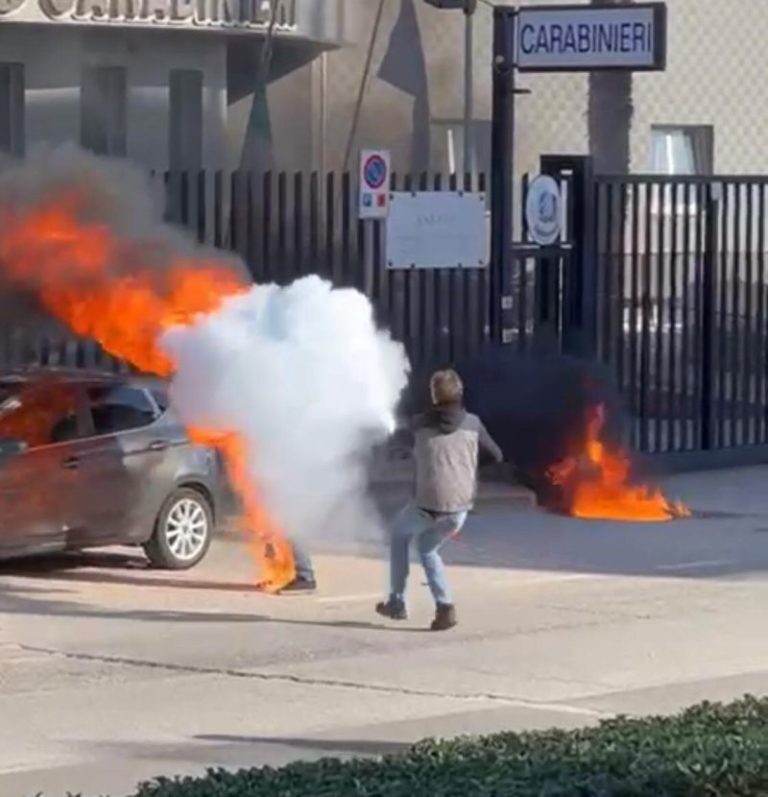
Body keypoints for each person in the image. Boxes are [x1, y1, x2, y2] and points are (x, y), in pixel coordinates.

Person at [376, 368, 503, 631]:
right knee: (427, 548)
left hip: (427, 505)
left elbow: (398, 438)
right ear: (460, 393)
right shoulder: (473, 424)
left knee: (399, 536)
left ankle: (397, 602)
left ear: (434, 396)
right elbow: (496, 456)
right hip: (459, 509)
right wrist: (467, 466)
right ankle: (445, 607)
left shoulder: (419, 424)